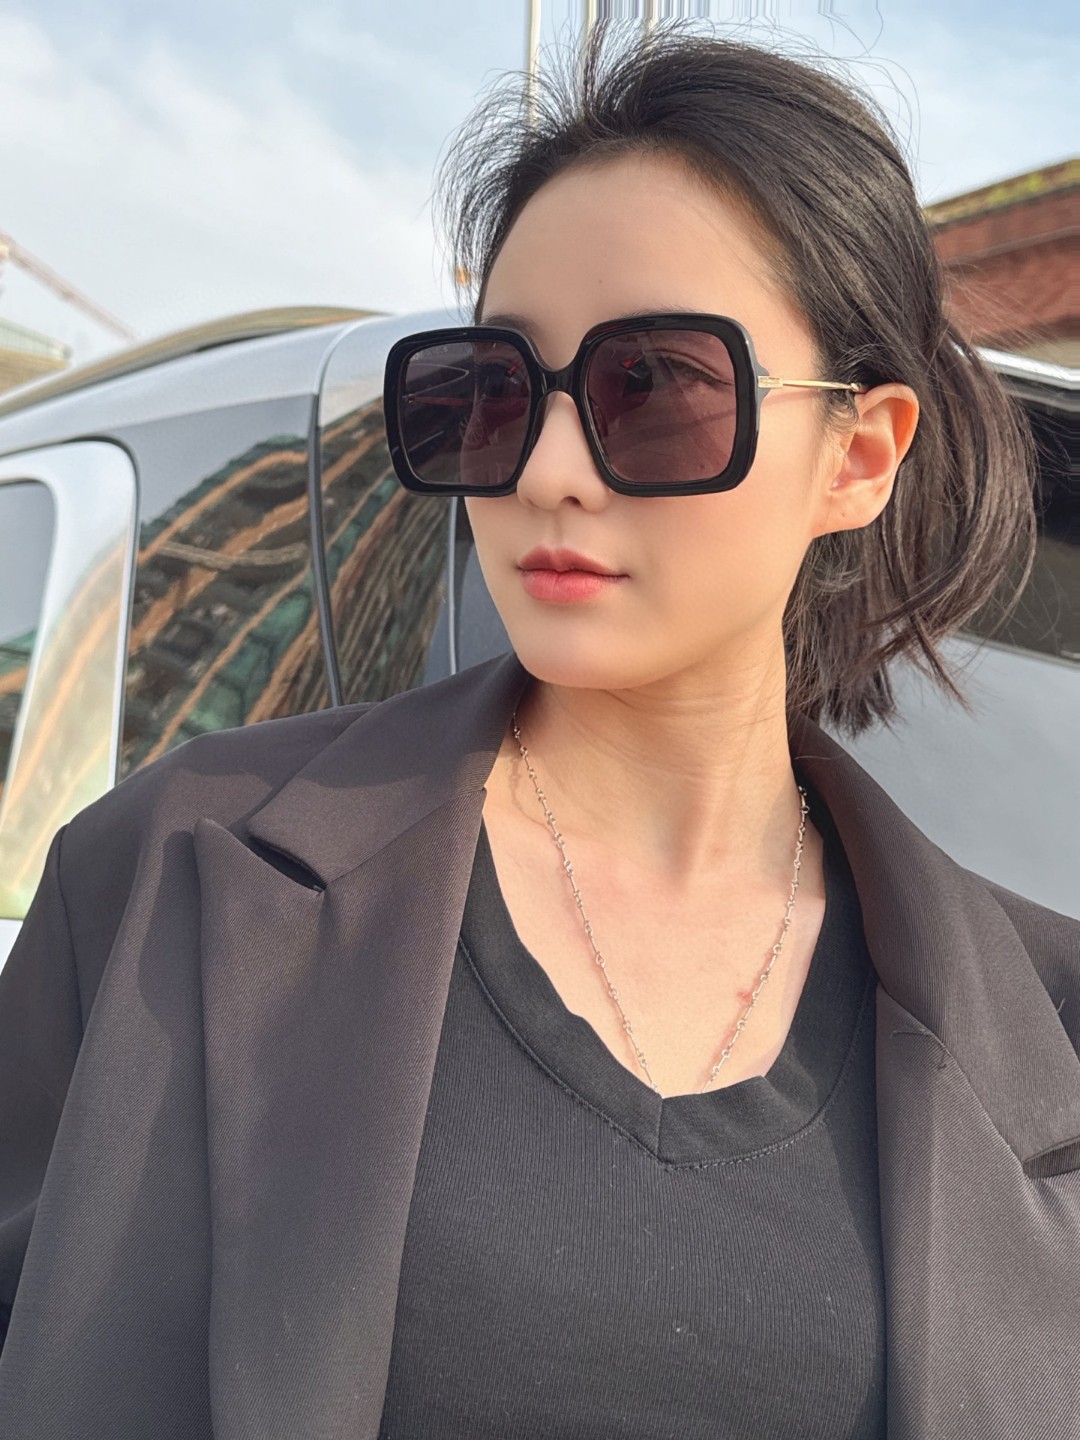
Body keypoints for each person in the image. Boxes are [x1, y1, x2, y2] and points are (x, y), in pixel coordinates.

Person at [1, 24, 1077, 1440]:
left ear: (859, 455)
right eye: (491, 392)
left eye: (658, 387)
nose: (550, 472)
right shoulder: (166, 882)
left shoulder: (1053, 1046)